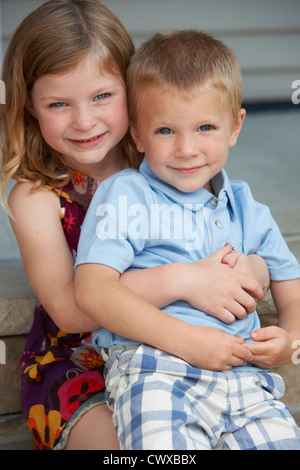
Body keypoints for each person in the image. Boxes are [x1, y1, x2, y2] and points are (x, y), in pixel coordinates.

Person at [0, 1, 268, 450]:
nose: (84, 121)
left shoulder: (166, 160)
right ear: (30, 105)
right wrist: (182, 279)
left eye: (102, 96)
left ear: (133, 87)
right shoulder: (36, 196)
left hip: (172, 352)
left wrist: (250, 269)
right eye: (58, 103)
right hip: (79, 367)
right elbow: (69, 309)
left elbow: (236, 235)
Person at [74, 30, 300, 450]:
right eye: (164, 131)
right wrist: (187, 342)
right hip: (156, 370)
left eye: (205, 127)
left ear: (235, 127)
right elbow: (91, 290)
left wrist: (289, 339)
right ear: (137, 137)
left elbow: (292, 287)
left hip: (246, 378)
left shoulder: (248, 207)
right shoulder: (127, 195)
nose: (187, 149)